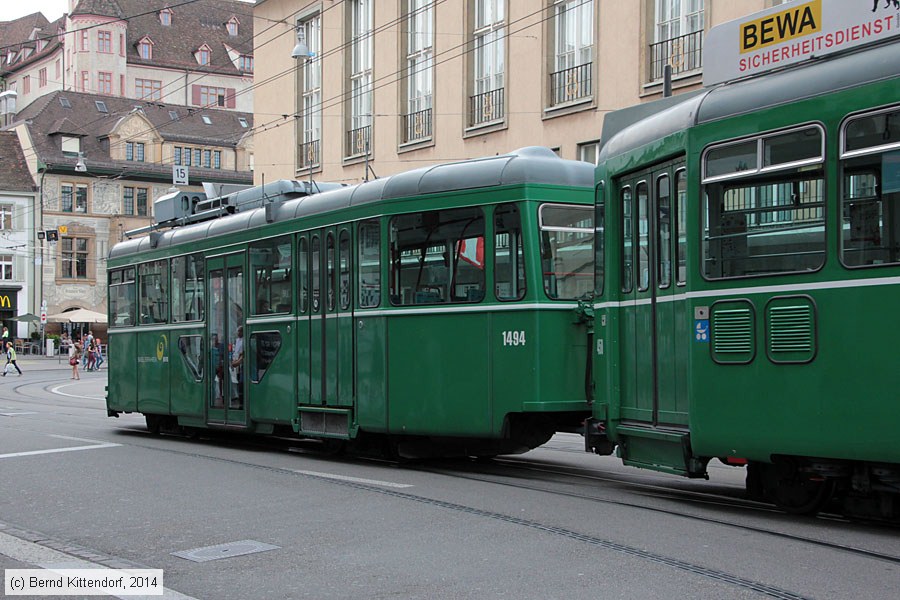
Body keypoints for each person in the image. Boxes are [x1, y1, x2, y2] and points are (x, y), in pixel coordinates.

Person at [230, 326, 244, 409]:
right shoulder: (237, 340)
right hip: (237, 362)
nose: (237, 333)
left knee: (242, 383)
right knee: (239, 381)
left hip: (240, 363)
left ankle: (242, 402)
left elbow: (242, 354)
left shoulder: (244, 340)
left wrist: (236, 362)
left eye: (239, 331)